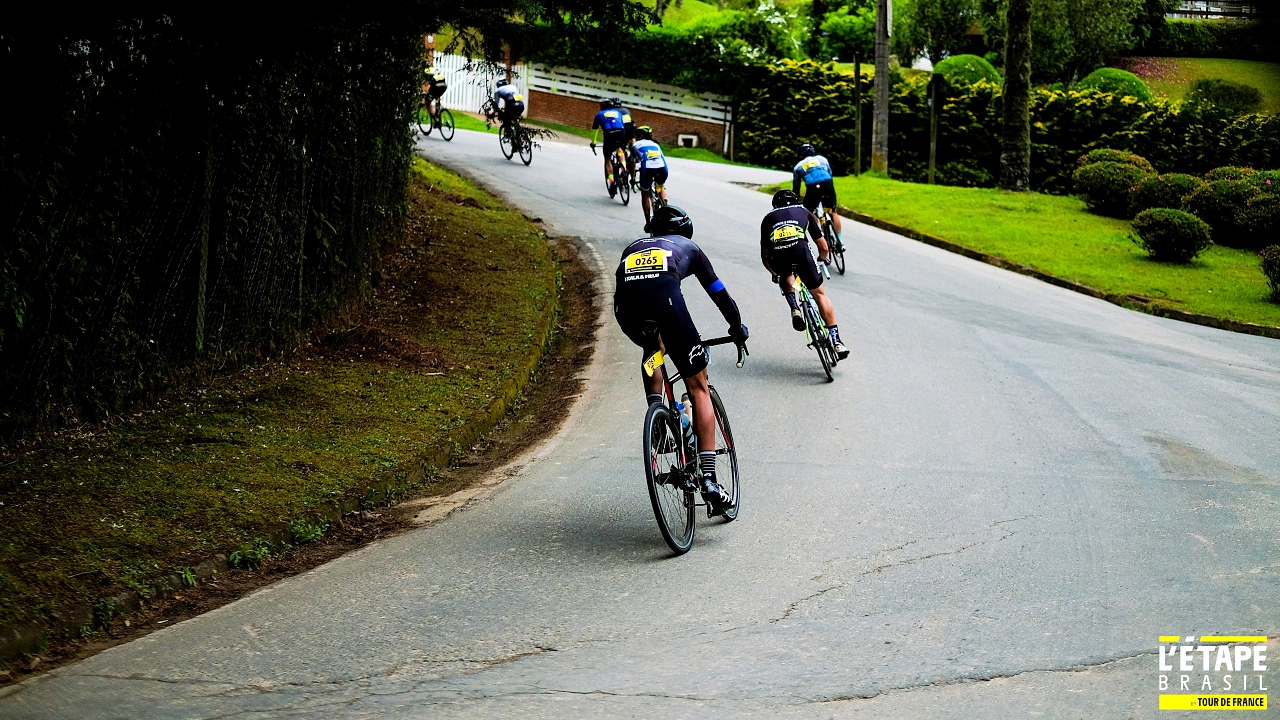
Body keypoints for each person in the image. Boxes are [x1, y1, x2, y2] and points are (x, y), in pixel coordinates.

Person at [614, 205, 748, 515]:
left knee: (653, 349)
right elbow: (719, 293)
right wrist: (736, 327)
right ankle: (710, 480)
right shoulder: (690, 248)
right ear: (685, 231)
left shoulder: (633, 247)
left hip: (627, 310)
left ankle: (656, 411)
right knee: (698, 387)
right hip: (666, 302)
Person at [760, 190, 849, 359]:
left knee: (785, 274)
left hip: (778, 257)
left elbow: (764, 256)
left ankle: (794, 308)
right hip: (801, 254)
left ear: (775, 205)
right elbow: (823, 247)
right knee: (820, 294)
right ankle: (837, 342)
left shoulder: (768, 218)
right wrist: (822, 259)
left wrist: (774, 273)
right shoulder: (803, 211)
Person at [792, 144, 843, 243]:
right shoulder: (822, 159)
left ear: (801, 155)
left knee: (808, 211)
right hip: (827, 185)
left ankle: (817, 233)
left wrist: (795, 200)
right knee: (832, 211)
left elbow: (796, 187)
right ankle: (839, 241)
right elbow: (829, 174)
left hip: (813, 188)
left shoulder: (798, 167)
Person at [590, 98, 635, 196]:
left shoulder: (599, 115)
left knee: (607, 158)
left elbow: (595, 130)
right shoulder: (618, 113)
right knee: (620, 150)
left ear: (602, 106)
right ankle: (624, 169)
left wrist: (593, 143)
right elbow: (625, 125)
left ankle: (611, 181)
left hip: (609, 135)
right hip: (621, 134)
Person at [630, 126, 668, 228]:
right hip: (662, 168)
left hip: (647, 169)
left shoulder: (635, 145)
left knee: (645, 194)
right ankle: (666, 207)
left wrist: (632, 178)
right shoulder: (656, 144)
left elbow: (632, 164)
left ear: (639, 136)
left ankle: (648, 222)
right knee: (661, 186)